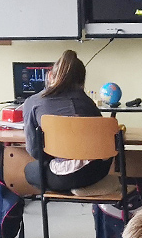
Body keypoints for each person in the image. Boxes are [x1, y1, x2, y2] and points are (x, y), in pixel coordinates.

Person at [22, 49, 109, 192]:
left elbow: (34, 151)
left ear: (50, 76)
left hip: (63, 176)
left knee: (29, 170)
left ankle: (64, 190)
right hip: (96, 172)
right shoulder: (88, 103)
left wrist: (57, 152)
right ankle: (77, 188)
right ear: (81, 82)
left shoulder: (33, 102)